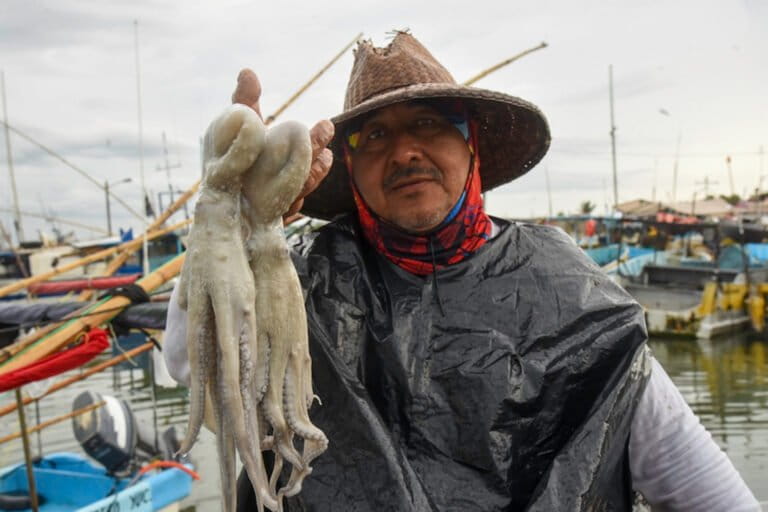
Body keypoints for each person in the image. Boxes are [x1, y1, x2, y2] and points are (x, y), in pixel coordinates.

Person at [164, 32, 759, 511]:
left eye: (428, 124)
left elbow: (704, 487)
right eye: (374, 135)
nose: (402, 153)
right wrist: (230, 215)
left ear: (470, 145)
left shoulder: (573, 296)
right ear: (350, 166)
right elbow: (194, 363)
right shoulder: (306, 280)